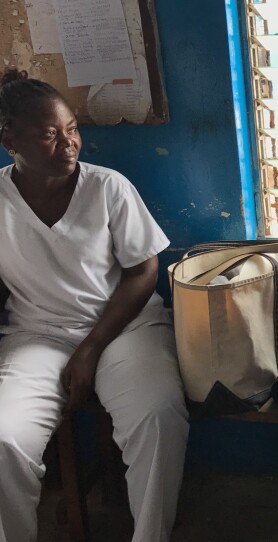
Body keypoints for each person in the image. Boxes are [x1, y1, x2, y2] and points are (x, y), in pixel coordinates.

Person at [0, 69, 188, 542]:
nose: (69, 145)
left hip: (125, 329)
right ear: (9, 140)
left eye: (72, 130)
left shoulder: (107, 188)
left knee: (158, 417)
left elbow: (144, 270)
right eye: (48, 135)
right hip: (38, 336)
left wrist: (90, 348)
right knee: (4, 439)